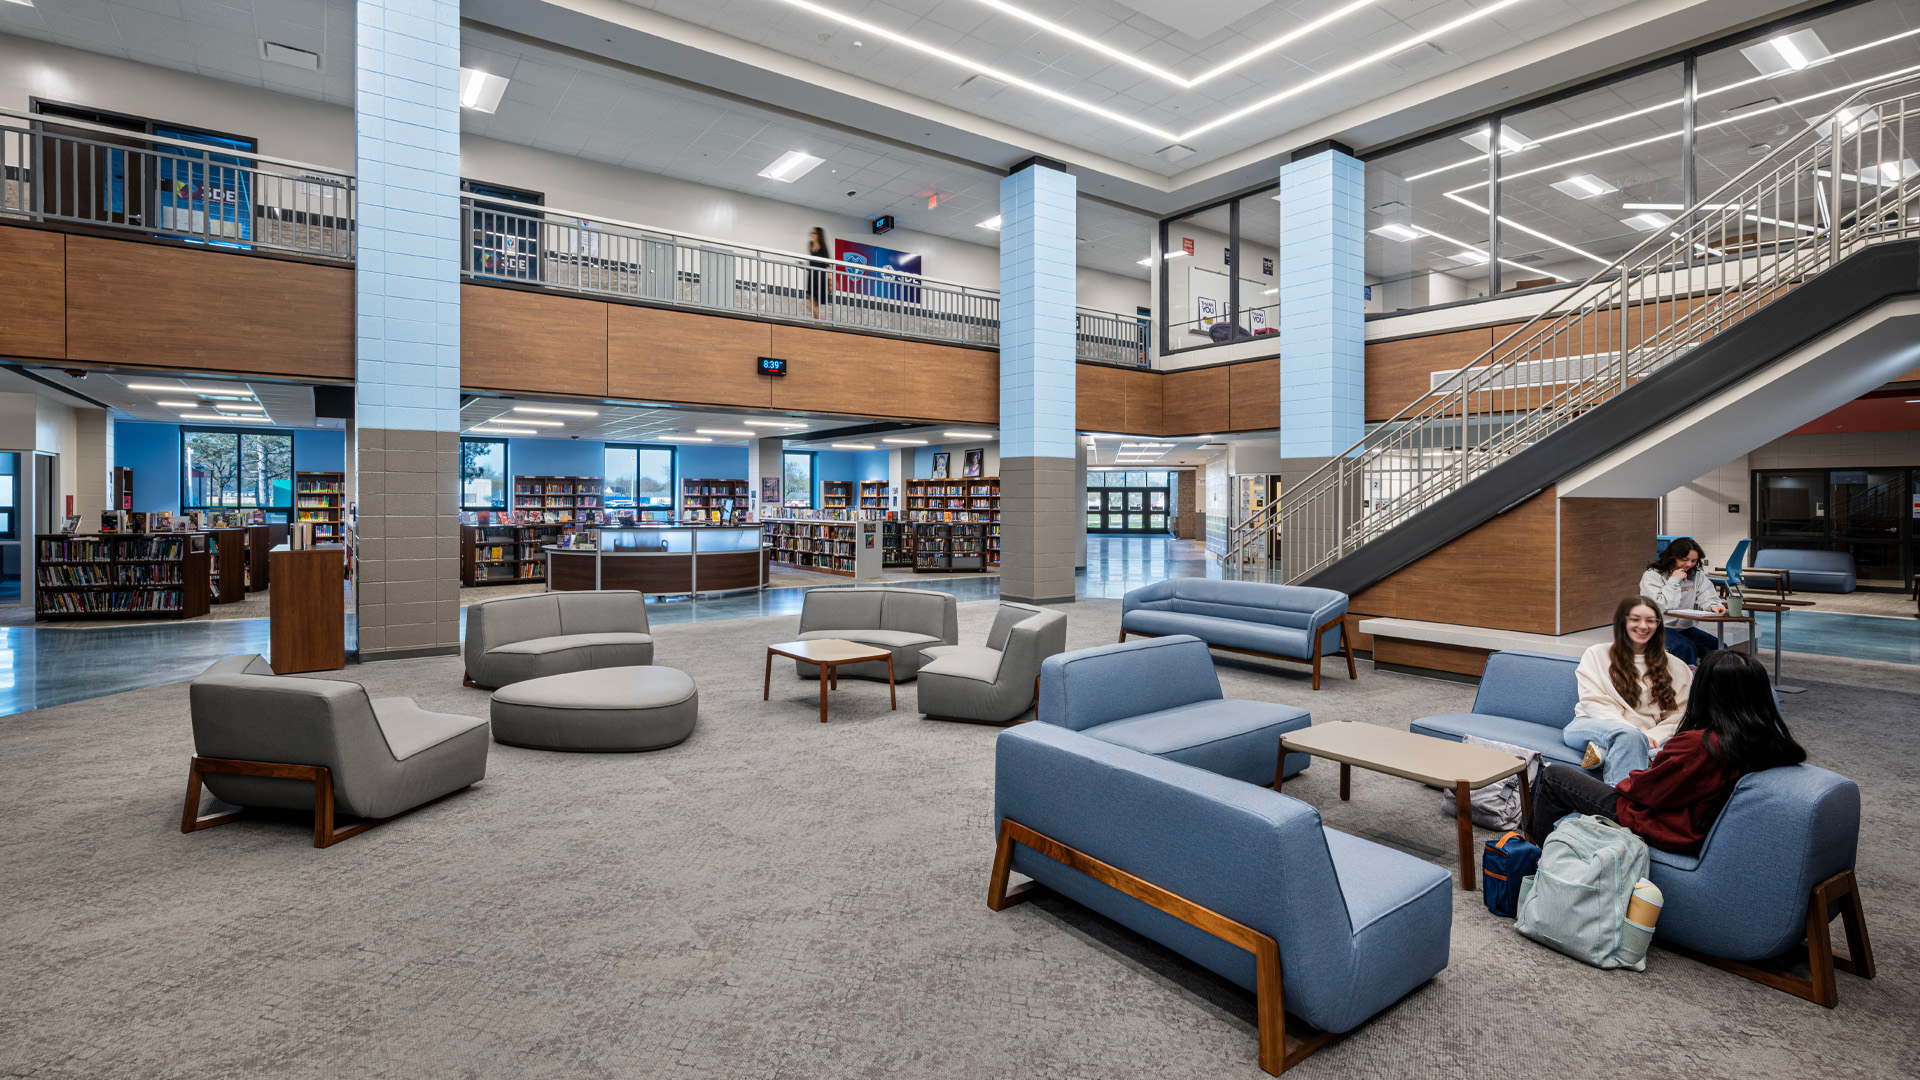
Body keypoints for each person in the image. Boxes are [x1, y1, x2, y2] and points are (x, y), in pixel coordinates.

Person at [1528, 649, 1806, 855]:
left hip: (1662, 825)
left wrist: (1635, 775)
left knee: (1555, 777)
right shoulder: (1771, 743)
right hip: (1689, 822)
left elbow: (1642, 792)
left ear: (1707, 693)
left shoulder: (1700, 745)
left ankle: (1537, 858)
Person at [1562, 596, 1692, 785]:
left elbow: (1679, 715)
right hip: (1591, 725)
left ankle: (1604, 753)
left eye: (1650, 620)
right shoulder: (1596, 654)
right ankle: (1623, 805)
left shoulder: (1677, 667)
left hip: (1651, 737)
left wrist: (1653, 736)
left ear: (1658, 625)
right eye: (1635, 619)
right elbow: (1594, 703)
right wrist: (1637, 735)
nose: (1643, 626)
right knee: (1632, 740)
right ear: (1622, 621)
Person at [1641, 537, 1727, 665]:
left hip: (1685, 628)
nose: (1689, 564)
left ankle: (1709, 681)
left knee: (1719, 648)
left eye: (1693, 561)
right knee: (1685, 648)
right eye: (1685, 560)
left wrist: (1713, 606)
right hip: (1657, 628)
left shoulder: (1696, 574)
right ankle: (1689, 682)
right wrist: (1674, 580)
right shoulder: (1652, 575)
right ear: (1672, 557)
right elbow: (1665, 607)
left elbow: (1707, 595)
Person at [804, 226, 831, 319]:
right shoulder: (811, 247)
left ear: (818, 235)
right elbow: (812, 265)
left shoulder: (823, 249)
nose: (811, 235)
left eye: (814, 233)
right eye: (811, 233)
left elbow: (827, 266)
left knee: (814, 303)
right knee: (811, 303)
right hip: (812, 278)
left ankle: (820, 320)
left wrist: (830, 282)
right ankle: (819, 322)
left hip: (820, 279)